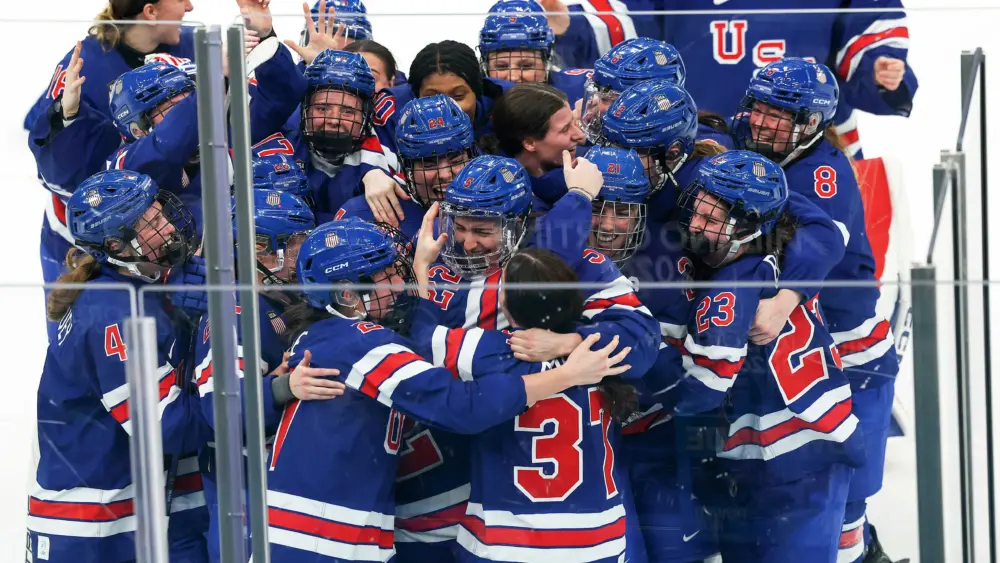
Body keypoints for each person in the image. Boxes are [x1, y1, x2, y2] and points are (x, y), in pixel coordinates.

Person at [262, 218, 631, 562]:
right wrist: (568, 373)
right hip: (317, 535)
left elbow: (427, 342)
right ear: (348, 296)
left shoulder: (326, 335)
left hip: (323, 528)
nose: (397, 282)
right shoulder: (359, 343)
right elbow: (461, 408)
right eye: (384, 274)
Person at [394, 155, 659, 563]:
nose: (466, 243)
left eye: (482, 231)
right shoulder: (562, 276)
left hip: (500, 526)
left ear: (518, 225)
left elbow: (643, 341)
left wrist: (420, 273)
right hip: (591, 533)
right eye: (460, 228)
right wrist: (574, 346)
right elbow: (636, 343)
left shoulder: (577, 267)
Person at [733, 58, 900, 563]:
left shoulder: (823, 172)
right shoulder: (753, 143)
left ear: (809, 123)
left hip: (850, 357)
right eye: (758, 107)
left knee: (846, 497)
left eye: (777, 114)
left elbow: (818, 247)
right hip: (792, 358)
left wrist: (785, 300)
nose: (761, 121)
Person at [674, 151, 864, 562]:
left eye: (710, 220)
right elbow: (824, 227)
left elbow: (700, 389)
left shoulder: (734, 283)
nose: (694, 226)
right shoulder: (782, 249)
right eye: (698, 213)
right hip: (818, 441)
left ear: (747, 227)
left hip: (787, 459)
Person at [407, 245, 642, 562]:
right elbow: (641, 334)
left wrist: (422, 266)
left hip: (509, 542)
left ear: (505, 304)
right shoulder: (602, 351)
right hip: (600, 541)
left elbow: (420, 337)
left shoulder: (488, 351)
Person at [29, 170, 210, 562]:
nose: (170, 225)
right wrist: (260, 398)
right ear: (118, 245)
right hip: (91, 529)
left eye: (161, 212)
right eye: (155, 222)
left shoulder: (129, 290)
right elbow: (166, 427)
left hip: (113, 515)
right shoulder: (112, 312)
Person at [190, 188, 346, 563]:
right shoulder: (236, 308)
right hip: (246, 496)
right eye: (294, 244)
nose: (304, 252)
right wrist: (283, 387)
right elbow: (223, 412)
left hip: (282, 490)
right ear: (260, 251)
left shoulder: (285, 300)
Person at [337, 95, 477, 233]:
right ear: (407, 167)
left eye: (456, 161)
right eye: (428, 165)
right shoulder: (361, 215)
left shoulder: (496, 202)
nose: (445, 175)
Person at [295, 49, 399, 222]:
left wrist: (374, 171)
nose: (334, 120)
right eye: (322, 109)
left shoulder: (390, 160)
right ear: (305, 110)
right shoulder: (286, 149)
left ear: (365, 116)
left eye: (348, 111)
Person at [485, 82, 587, 210]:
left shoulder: (589, 160)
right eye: (565, 129)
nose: (580, 134)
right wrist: (580, 195)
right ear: (529, 143)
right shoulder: (503, 196)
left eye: (573, 121)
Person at [477, 0, 594, 104]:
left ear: (546, 61)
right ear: (486, 66)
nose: (513, 77)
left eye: (526, 66)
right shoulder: (477, 104)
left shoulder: (581, 89)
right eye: (501, 67)